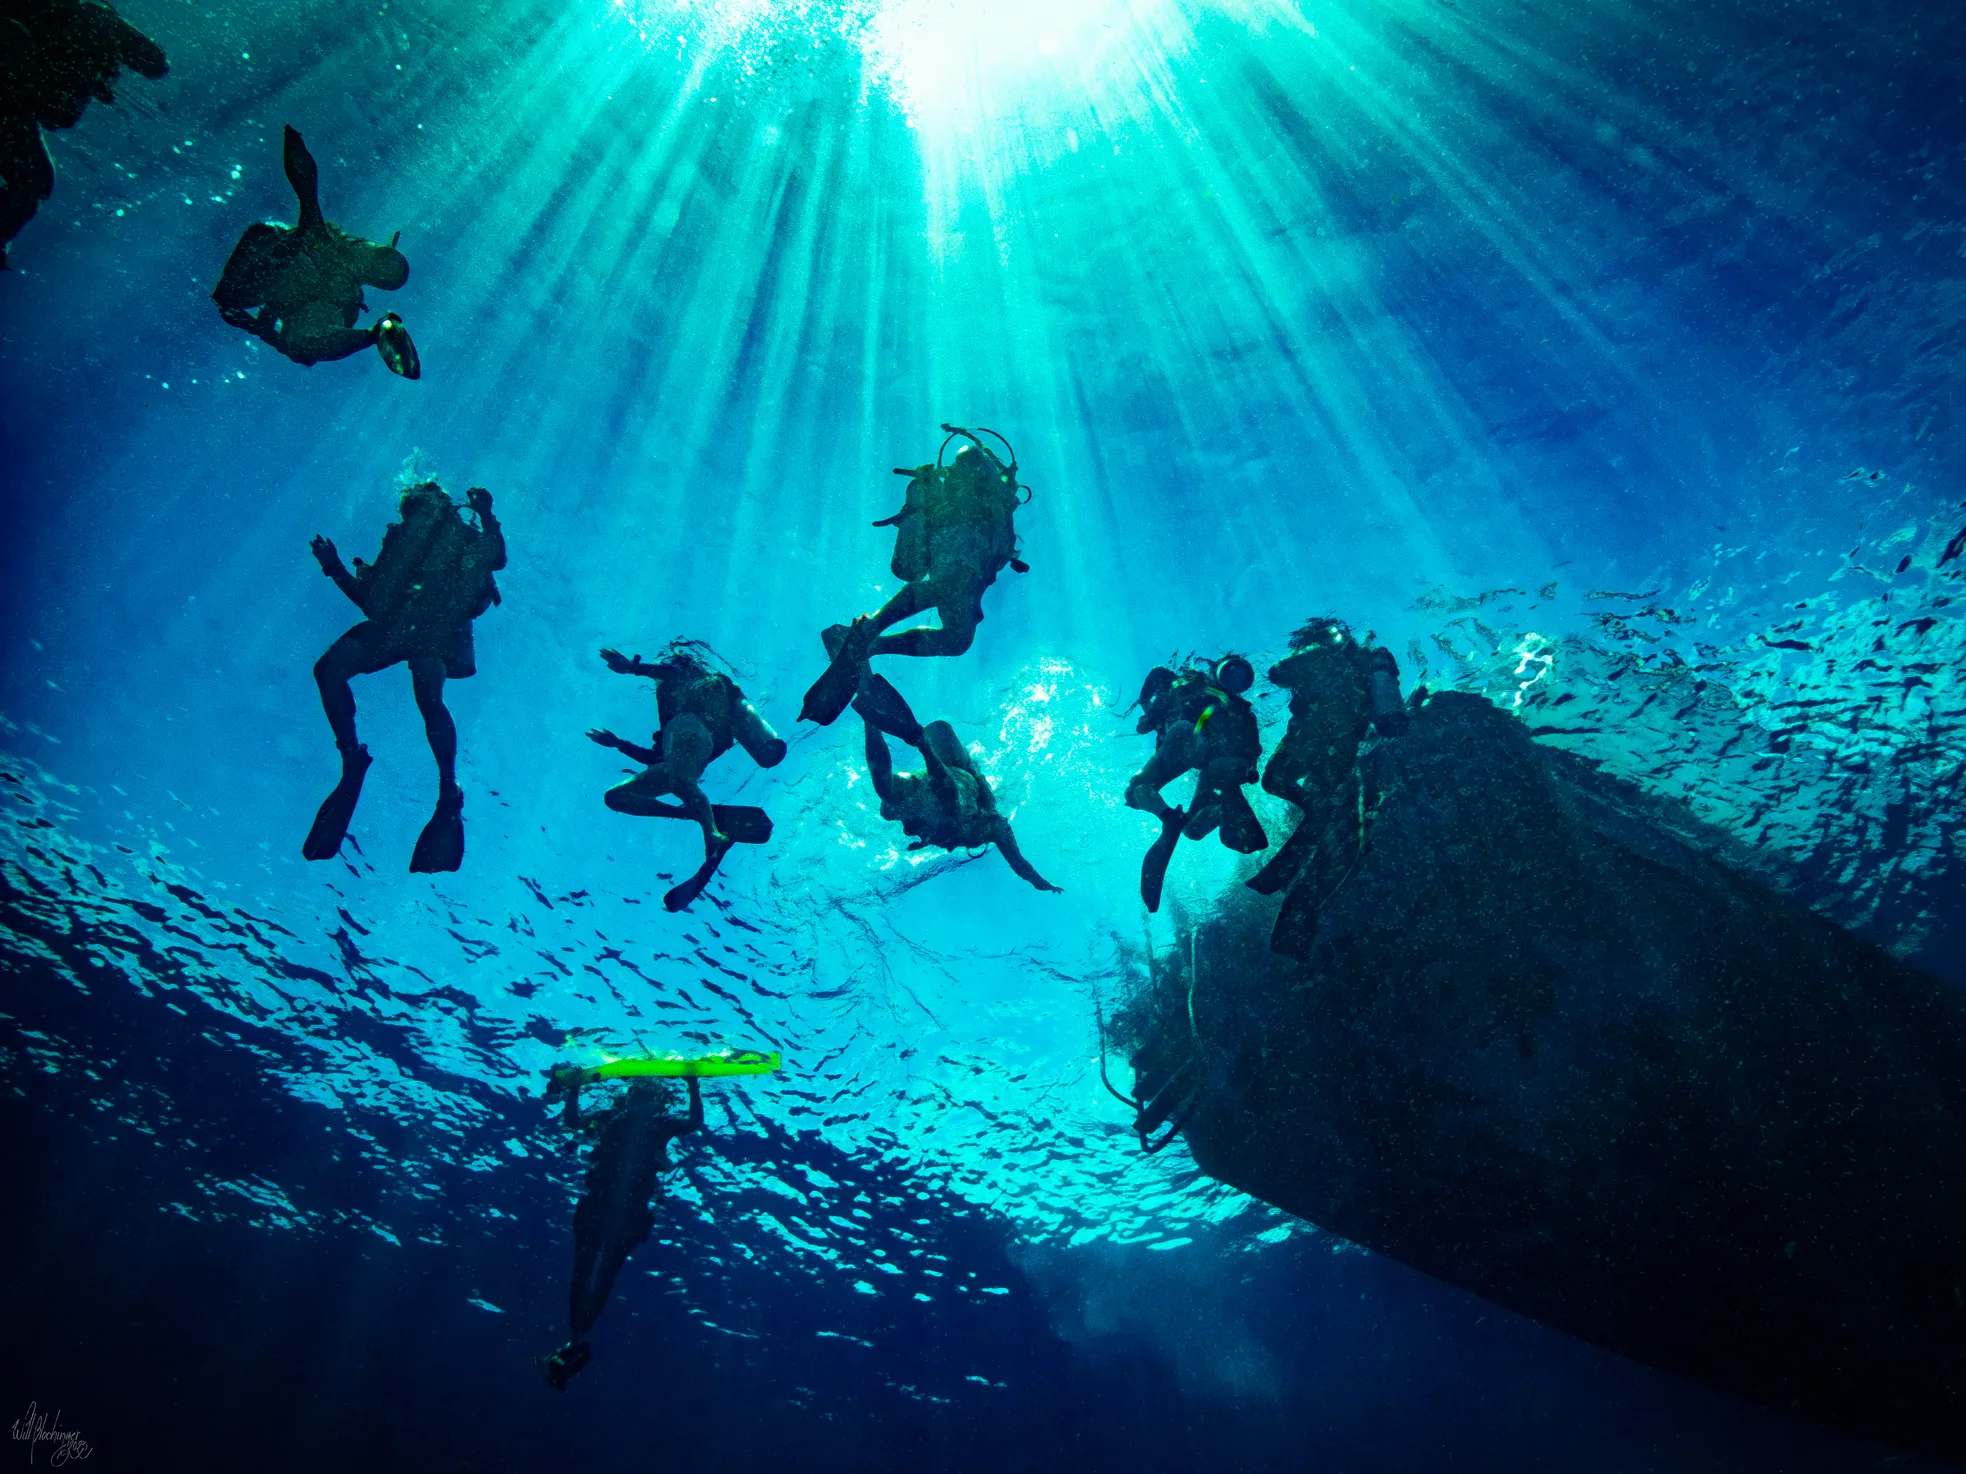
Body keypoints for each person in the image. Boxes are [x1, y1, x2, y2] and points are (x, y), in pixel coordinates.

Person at [304, 481, 505, 871]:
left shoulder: (461, 540)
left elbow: (495, 558)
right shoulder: (399, 542)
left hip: (438, 630)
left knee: (429, 696)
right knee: (328, 670)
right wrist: (334, 568)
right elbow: (372, 602)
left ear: (441, 511)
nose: (415, 520)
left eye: (423, 511)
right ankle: (352, 757)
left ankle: (448, 786)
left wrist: (485, 513)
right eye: (411, 512)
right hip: (394, 628)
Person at [800, 425, 1030, 725]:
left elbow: (1005, 492)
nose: (976, 470)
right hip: (956, 547)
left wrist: (1004, 477)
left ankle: (871, 645)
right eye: (969, 465)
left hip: (976, 571)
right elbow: (994, 483)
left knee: (958, 641)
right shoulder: (967, 492)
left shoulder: (998, 494)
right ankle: (869, 629)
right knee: (947, 585)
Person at [586, 641, 788, 912]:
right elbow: (651, 759)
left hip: (698, 736)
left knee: (681, 777)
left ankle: (711, 832)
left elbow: (670, 671)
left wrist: (634, 668)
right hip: (679, 757)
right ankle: (691, 813)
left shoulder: (689, 673)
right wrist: (617, 743)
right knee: (615, 797)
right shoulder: (672, 710)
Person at [1247, 619, 1405, 957]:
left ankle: (1318, 825)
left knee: (1277, 781)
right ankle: (1319, 821)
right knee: (1299, 793)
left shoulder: (1324, 655)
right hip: (1333, 744)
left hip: (1316, 739)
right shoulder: (1361, 661)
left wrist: (1305, 656)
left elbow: (1276, 673)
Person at [539, 1073, 703, 1391]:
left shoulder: (655, 1124)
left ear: (654, 1102)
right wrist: (573, 1089)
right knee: (590, 1271)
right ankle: (575, 1341)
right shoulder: (616, 1119)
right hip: (610, 1211)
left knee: (599, 1272)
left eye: (643, 1095)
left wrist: (693, 1087)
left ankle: (576, 1341)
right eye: (634, 1093)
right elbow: (573, 1122)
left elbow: (694, 1122)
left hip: (621, 1213)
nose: (637, 1098)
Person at [211, 126, 418, 375]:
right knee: (239, 296)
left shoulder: (342, 294)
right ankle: (374, 334)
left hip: (286, 281)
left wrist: (266, 332)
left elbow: (306, 345)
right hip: (282, 271)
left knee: (237, 298)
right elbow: (305, 346)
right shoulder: (342, 290)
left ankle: (374, 334)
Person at [853, 672, 1060, 893]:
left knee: (887, 797)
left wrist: (922, 837)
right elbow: (1018, 862)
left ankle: (870, 719)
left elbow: (1018, 864)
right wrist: (1042, 883)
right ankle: (924, 746)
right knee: (944, 774)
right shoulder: (993, 825)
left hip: (939, 789)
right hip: (962, 779)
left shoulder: (954, 834)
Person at [1, 0, 167, 267]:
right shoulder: (93, 19)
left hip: (14, 105)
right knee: (33, 180)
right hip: (13, 102)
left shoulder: (84, 21)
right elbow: (155, 62)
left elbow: (57, 115)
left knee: (33, 180)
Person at [1124, 655, 1267, 912]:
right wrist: (1246, 771)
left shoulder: (1207, 692)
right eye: (1230, 672)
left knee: (1138, 793)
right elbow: (1252, 753)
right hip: (1213, 760)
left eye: (1240, 680)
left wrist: (1152, 714)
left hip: (1188, 742)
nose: (1233, 681)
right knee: (1190, 829)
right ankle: (1214, 812)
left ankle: (1171, 817)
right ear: (1217, 669)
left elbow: (1159, 673)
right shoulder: (1234, 707)